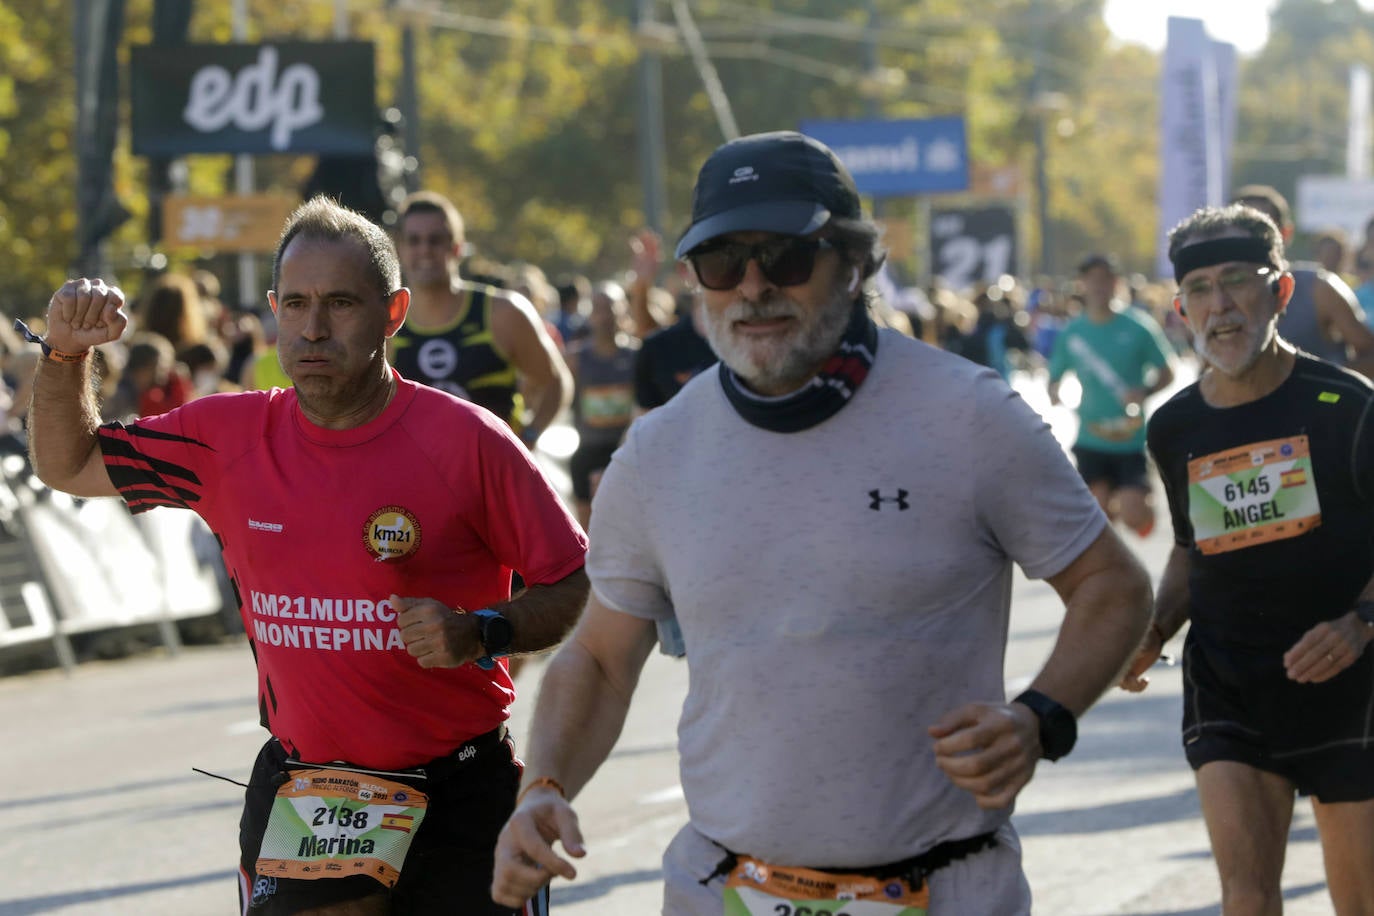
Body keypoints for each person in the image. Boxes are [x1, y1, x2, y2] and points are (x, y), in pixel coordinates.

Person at [489, 130, 1153, 914]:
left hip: (946, 884)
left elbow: (1113, 584)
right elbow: (600, 661)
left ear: (855, 263)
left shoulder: (970, 416)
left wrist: (1039, 718)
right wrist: (544, 786)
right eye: (723, 262)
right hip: (724, 885)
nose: (754, 287)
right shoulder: (660, 451)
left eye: (787, 257)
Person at [23, 196, 589, 915]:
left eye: (340, 304)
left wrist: (483, 633)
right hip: (310, 791)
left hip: (461, 791)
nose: (314, 328)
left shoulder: (467, 440)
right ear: (272, 310)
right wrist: (67, 355)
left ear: (394, 312)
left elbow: (576, 582)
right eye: (295, 304)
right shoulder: (225, 437)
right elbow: (69, 465)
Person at [1120, 203, 1374, 915]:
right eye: (1199, 288)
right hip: (1230, 679)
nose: (1220, 305)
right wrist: (1154, 629)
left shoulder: (1346, 407)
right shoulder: (1175, 427)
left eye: (1237, 281)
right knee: (1247, 901)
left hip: (1350, 682)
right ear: (1180, 308)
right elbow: (1191, 549)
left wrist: (1361, 622)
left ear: (1281, 293)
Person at [391, 190, 571, 450]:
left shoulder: (502, 312)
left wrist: (528, 439)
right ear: (400, 248)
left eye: (435, 240)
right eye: (414, 240)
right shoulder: (386, 324)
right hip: (421, 481)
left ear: (457, 247)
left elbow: (556, 381)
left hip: (494, 479)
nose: (425, 250)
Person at [1048, 253, 1177, 538]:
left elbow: (1168, 371)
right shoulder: (1072, 332)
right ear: (1081, 284)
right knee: (1096, 517)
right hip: (1091, 436)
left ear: (1115, 282)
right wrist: (1054, 390)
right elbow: (1055, 375)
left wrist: (1144, 392)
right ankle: (1110, 516)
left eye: (1104, 279)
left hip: (1129, 438)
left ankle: (1136, 506)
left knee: (1135, 517)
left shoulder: (1138, 325)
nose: (1098, 286)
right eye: (1091, 280)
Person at [1231, 185, 1374, 377]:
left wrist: (1315, 386)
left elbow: (1369, 354)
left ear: (1285, 233)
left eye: (1259, 229)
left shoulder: (1318, 287)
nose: (1247, 238)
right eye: (1238, 229)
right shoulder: (1218, 297)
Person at [565, 281, 637, 530]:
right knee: (588, 533)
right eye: (598, 308)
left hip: (627, 453)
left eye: (611, 307)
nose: (605, 316)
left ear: (623, 310)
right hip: (588, 453)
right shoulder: (574, 358)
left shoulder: (636, 357)